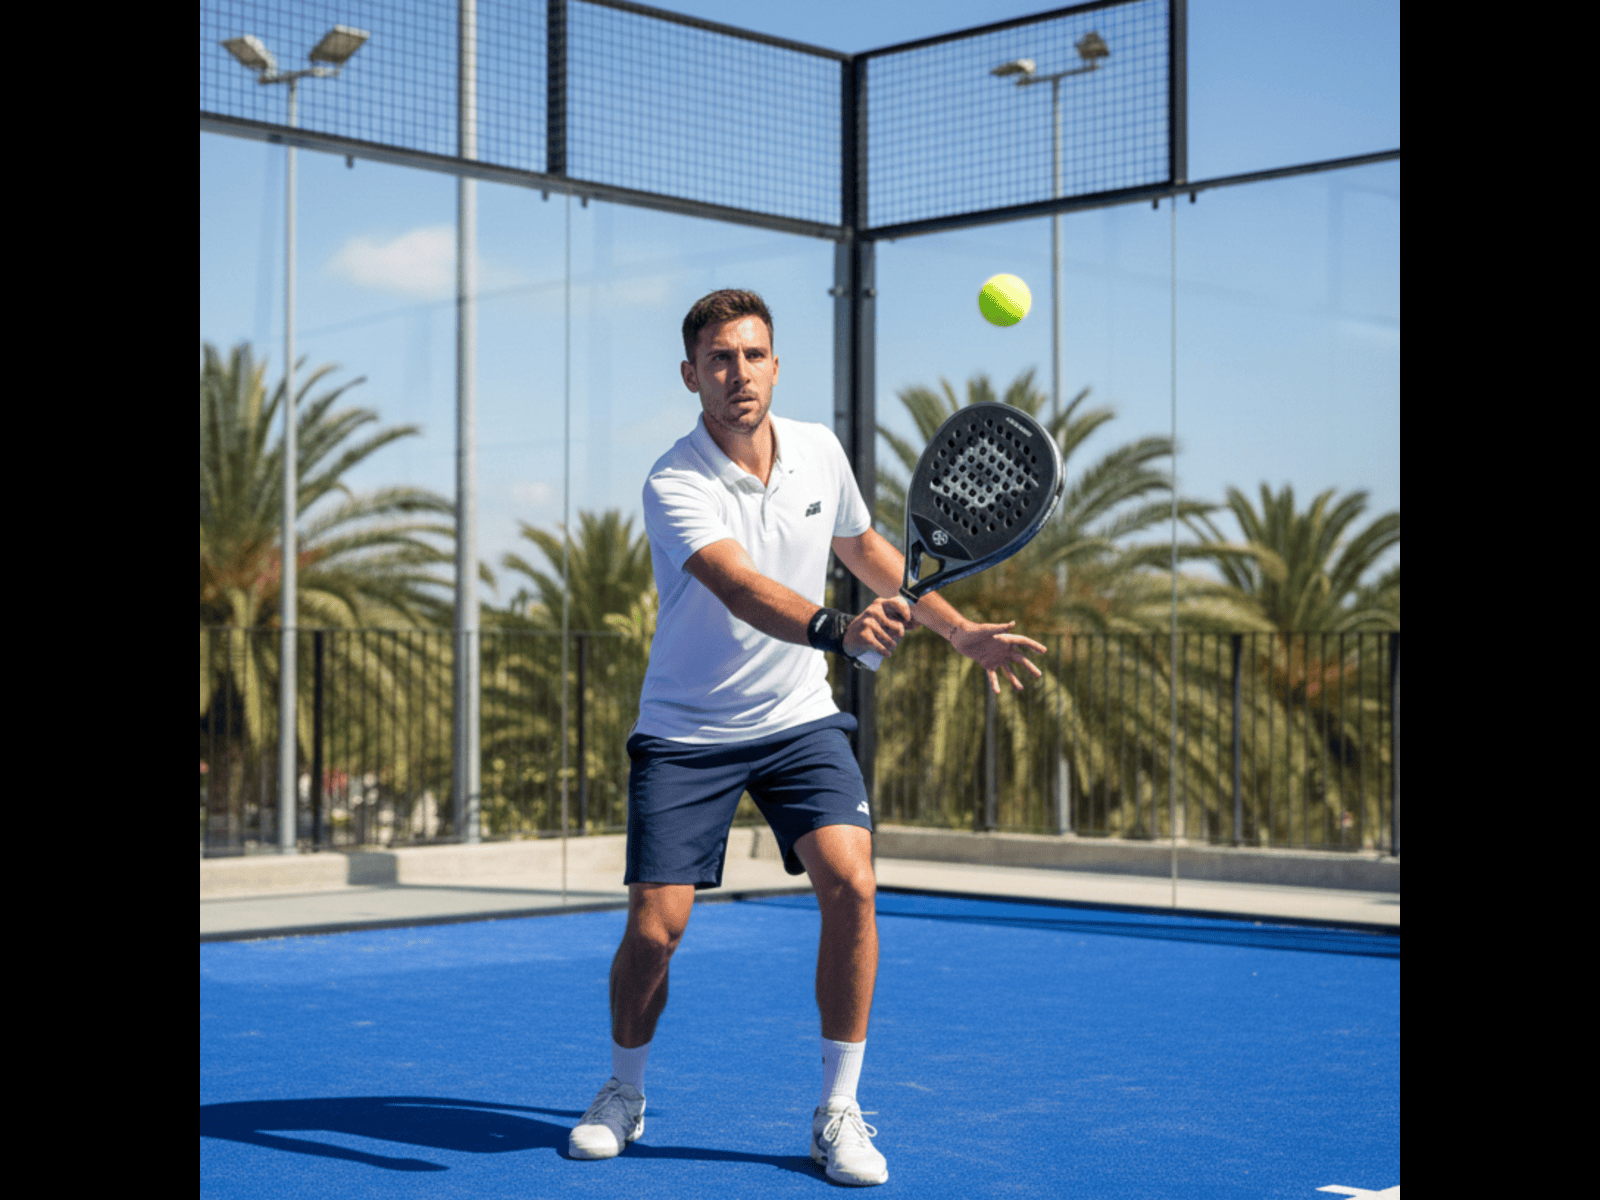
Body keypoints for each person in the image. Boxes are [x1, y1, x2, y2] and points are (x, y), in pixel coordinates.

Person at [568, 289, 1046, 1186]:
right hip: (686, 732)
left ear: (776, 367)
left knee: (852, 883)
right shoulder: (674, 481)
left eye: (753, 356)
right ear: (690, 375)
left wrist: (959, 632)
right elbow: (739, 586)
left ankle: (838, 1112)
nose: (738, 373)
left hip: (798, 720)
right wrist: (838, 629)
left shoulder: (820, 450)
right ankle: (623, 1090)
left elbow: (868, 552)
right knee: (657, 931)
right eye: (719, 359)